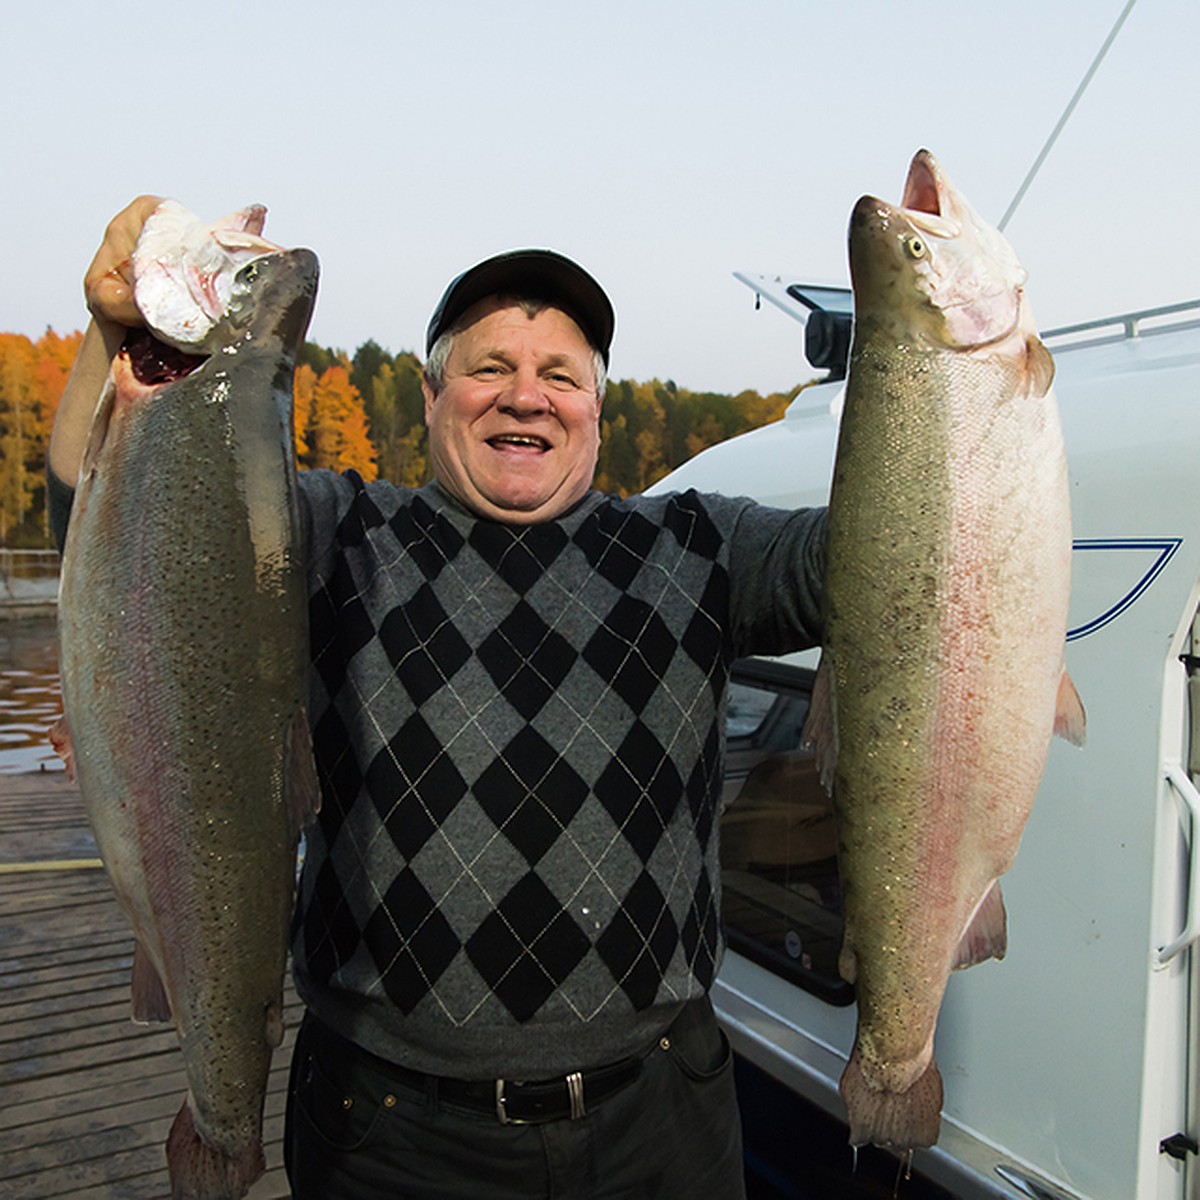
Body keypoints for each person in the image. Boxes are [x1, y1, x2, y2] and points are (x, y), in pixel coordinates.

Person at [49, 196, 827, 1199]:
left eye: (560, 375)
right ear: (432, 394)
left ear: (597, 401)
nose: (525, 397)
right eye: (490, 368)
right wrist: (113, 337)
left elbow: (883, 561)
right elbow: (110, 509)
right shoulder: (335, 534)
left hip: (660, 1119)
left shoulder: (704, 548)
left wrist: (961, 384)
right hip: (390, 1134)